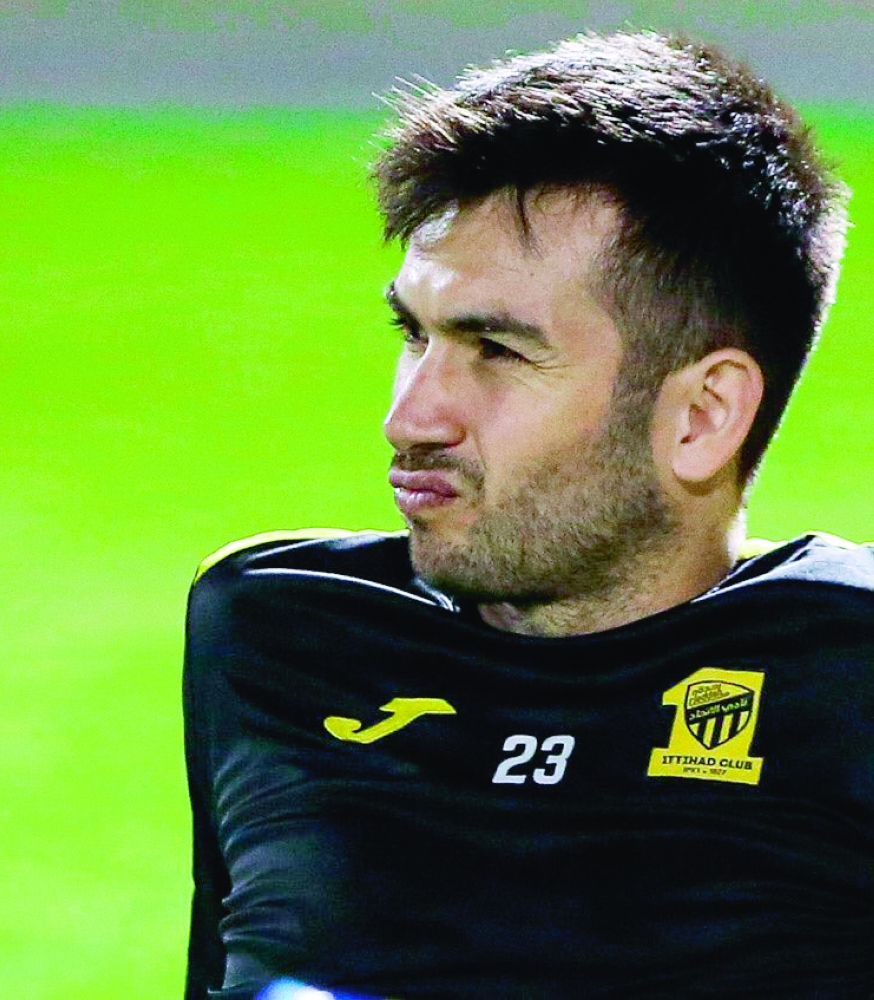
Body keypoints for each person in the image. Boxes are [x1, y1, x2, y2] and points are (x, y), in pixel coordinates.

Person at [183, 29, 874, 1000]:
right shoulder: (282, 635)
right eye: (413, 334)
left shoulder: (844, 667)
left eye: (498, 351)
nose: (409, 419)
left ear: (701, 416)